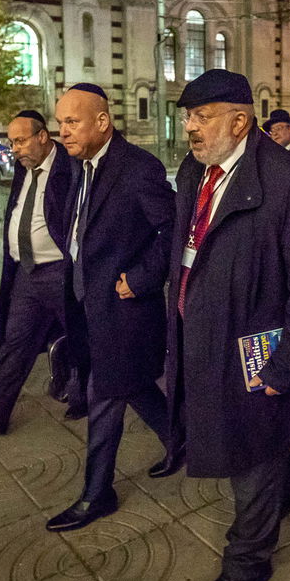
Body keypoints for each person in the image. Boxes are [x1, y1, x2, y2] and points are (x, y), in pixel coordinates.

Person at [163, 70, 290, 581]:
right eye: (187, 117)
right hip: (204, 339)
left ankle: (247, 563)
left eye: (201, 117)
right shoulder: (197, 171)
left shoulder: (287, 181)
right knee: (246, 445)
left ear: (239, 121)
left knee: (250, 455)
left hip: (255, 352)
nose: (189, 127)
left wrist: (285, 369)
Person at [44, 84, 176, 532]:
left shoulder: (138, 168)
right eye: (60, 122)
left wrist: (140, 279)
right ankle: (183, 443)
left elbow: (172, 231)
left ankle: (96, 494)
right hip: (87, 304)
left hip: (123, 312)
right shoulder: (80, 166)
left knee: (104, 398)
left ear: (102, 122)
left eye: (71, 122)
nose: (62, 131)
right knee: (135, 386)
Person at [0, 111, 78, 434]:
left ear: (42, 137)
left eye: (20, 141)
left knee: (85, 338)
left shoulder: (70, 168)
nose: (15, 149)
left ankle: (91, 397)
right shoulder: (25, 169)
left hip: (59, 273)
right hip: (26, 274)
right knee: (15, 345)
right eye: (12, 142)